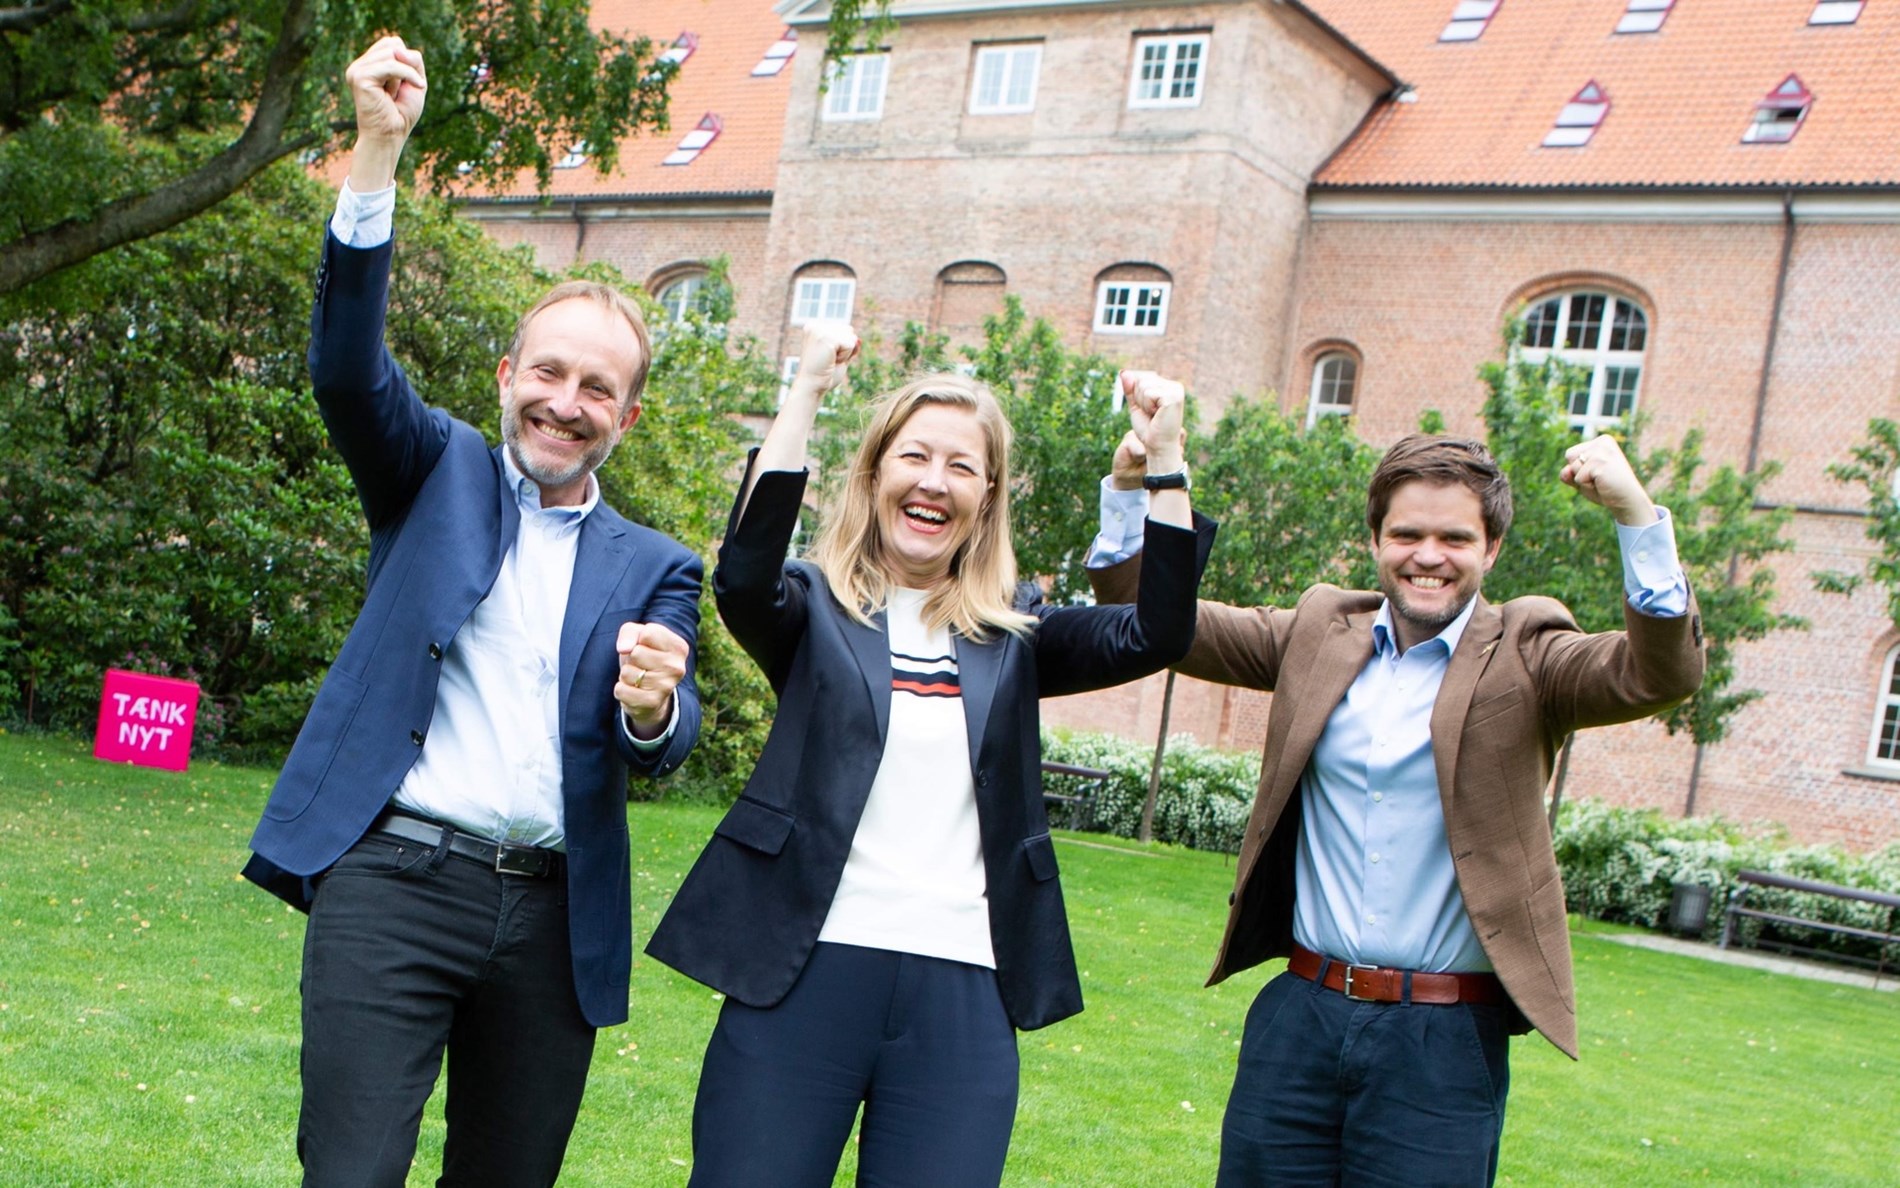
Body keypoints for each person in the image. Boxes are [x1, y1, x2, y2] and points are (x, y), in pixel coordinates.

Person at [237, 36, 703, 1187]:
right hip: (394, 882)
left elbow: (668, 731)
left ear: (626, 420)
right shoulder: (431, 470)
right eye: (548, 373)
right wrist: (377, 154)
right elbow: (348, 370)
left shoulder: (655, 561)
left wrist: (653, 708)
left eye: (598, 389)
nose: (566, 402)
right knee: (349, 1171)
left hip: (551, 919)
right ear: (506, 376)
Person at [645, 322, 1214, 1186]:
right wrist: (803, 392)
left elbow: (1156, 631)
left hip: (964, 986)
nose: (934, 483)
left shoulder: (1016, 637)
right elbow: (744, 574)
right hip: (805, 968)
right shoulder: (810, 610)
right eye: (915, 457)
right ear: (875, 475)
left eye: (962, 466)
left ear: (986, 497)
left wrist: (1164, 459)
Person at [1089, 430, 1704, 1186]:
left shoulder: (1529, 651)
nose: (1428, 555)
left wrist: (1635, 515)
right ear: (1376, 540)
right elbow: (1157, 628)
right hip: (1301, 1017)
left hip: (1443, 1040)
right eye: (1407, 533)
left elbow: (1659, 676)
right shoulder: (1321, 630)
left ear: (1493, 549)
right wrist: (1129, 491)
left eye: (1455, 537)